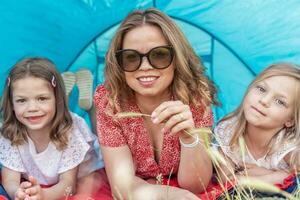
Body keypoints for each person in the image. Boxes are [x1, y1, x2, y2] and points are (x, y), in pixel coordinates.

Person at [94, 8, 218, 199]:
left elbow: (195, 186)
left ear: (176, 58)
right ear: (119, 63)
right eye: (131, 57)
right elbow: (122, 187)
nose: (145, 67)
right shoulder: (110, 103)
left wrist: (189, 140)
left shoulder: (195, 97)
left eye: (159, 54)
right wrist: (171, 195)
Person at [0, 58, 103, 200]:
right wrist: (18, 193)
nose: (32, 108)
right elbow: (10, 179)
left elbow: (69, 185)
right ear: (11, 104)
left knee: (85, 195)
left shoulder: (69, 130)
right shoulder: (10, 131)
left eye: (42, 98)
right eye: (21, 100)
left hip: (83, 179)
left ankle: (91, 106)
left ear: (56, 98)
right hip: (39, 183)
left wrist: (43, 195)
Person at [214, 63, 300, 185]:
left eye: (280, 102)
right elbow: (226, 180)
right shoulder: (229, 132)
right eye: (261, 89)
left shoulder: (288, 144)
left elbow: (297, 178)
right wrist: (275, 176)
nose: (264, 101)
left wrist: (269, 176)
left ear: (290, 120)